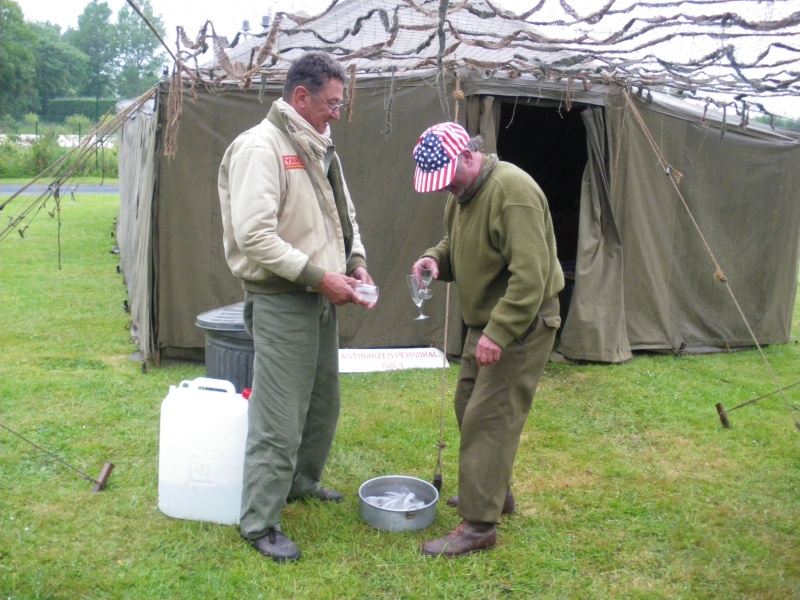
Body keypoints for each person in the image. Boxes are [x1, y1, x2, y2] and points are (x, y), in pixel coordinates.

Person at [218, 52, 376, 563]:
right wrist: (317, 276)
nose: (337, 112)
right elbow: (254, 236)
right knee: (278, 416)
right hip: (284, 299)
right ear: (300, 96)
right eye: (330, 102)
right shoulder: (259, 147)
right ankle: (259, 521)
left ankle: (301, 482)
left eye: (340, 102)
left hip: (323, 295)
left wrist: (355, 261)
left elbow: (342, 211)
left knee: (322, 404)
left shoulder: (321, 146)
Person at [411, 122, 564, 557]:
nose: (447, 190)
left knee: (489, 418)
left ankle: (479, 526)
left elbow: (530, 276)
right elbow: (456, 243)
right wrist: (433, 259)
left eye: (448, 180)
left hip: (522, 323)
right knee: (467, 405)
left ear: (467, 156)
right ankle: (495, 493)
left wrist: (498, 332)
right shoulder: (463, 195)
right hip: (488, 323)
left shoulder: (513, 192)